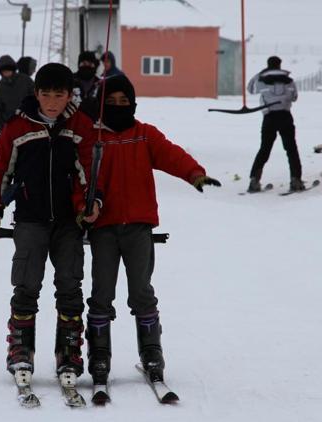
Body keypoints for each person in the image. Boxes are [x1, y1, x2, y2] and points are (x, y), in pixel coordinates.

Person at [83, 74, 220, 387]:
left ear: (133, 103)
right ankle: (99, 353)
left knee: (141, 292)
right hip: (103, 229)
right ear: (101, 104)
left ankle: (151, 352)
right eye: (111, 102)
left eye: (124, 101)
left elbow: (171, 154)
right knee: (101, 293)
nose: (119, 106)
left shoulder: (144, 135)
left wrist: (194, 174)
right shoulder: (93, 139)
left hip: (139, 229)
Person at [0, 63, 98, 384]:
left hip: (68, 222)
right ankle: (21, 347)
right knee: (26, 284)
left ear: (68, 95)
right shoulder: (17, 127)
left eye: (58, 95)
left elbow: (88, 172)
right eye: (45, 94)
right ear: (36, 94)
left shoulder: (80, 126)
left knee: (70, 285)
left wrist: (91, 205)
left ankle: (69, 349)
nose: (51, 101)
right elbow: (0, 170)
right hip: (30, 219)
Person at [246, 56, 304, 192]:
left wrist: (260, 73)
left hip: (269, 118)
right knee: (291, 149)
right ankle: (296, 180)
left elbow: (250, 89)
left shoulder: (261, 80)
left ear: (268, 65)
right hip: (285, 116)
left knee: (264, 149)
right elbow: (295, 97)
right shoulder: (289, 81)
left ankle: (254, 180)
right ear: (279, 65)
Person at [0, 55, 35, 133]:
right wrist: (1, 130)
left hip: (29, 123)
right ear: (1, 72)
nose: (7, 72)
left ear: (13, 69)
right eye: (4, 70)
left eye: (9, 69)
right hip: (11, 128)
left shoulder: (25, 80)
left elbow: (36, 97)